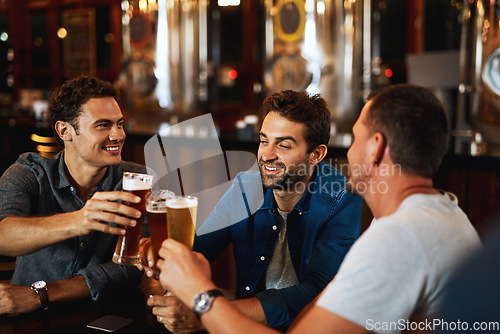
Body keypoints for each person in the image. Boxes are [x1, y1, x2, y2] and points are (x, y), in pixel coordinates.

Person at [155, 84, 482, 334]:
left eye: (354, 138)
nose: (349, 153)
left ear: (376, 148)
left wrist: (202, 300)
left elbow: (309, 304)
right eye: (264, 140)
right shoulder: (447, 214)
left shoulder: (396, 240)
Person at [143, 90, 363, 331]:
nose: (266, 155)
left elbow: (316, 294)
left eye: (284, 145)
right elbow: (200, 249)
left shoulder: (342, 198)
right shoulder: (245, 187)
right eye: (264, 140)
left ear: (316, 154)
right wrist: (159, 253)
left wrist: (206, 311)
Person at [0, 75, 149, 315]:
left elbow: (131, 266)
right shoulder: (28, 172)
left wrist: (44, 293)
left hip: (109, 317)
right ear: (65, 130)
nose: (118, 135)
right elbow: (3, 236)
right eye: (103, 125)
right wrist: (79, 220)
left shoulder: (137, 180)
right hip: (30, 320)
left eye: (119, 124)